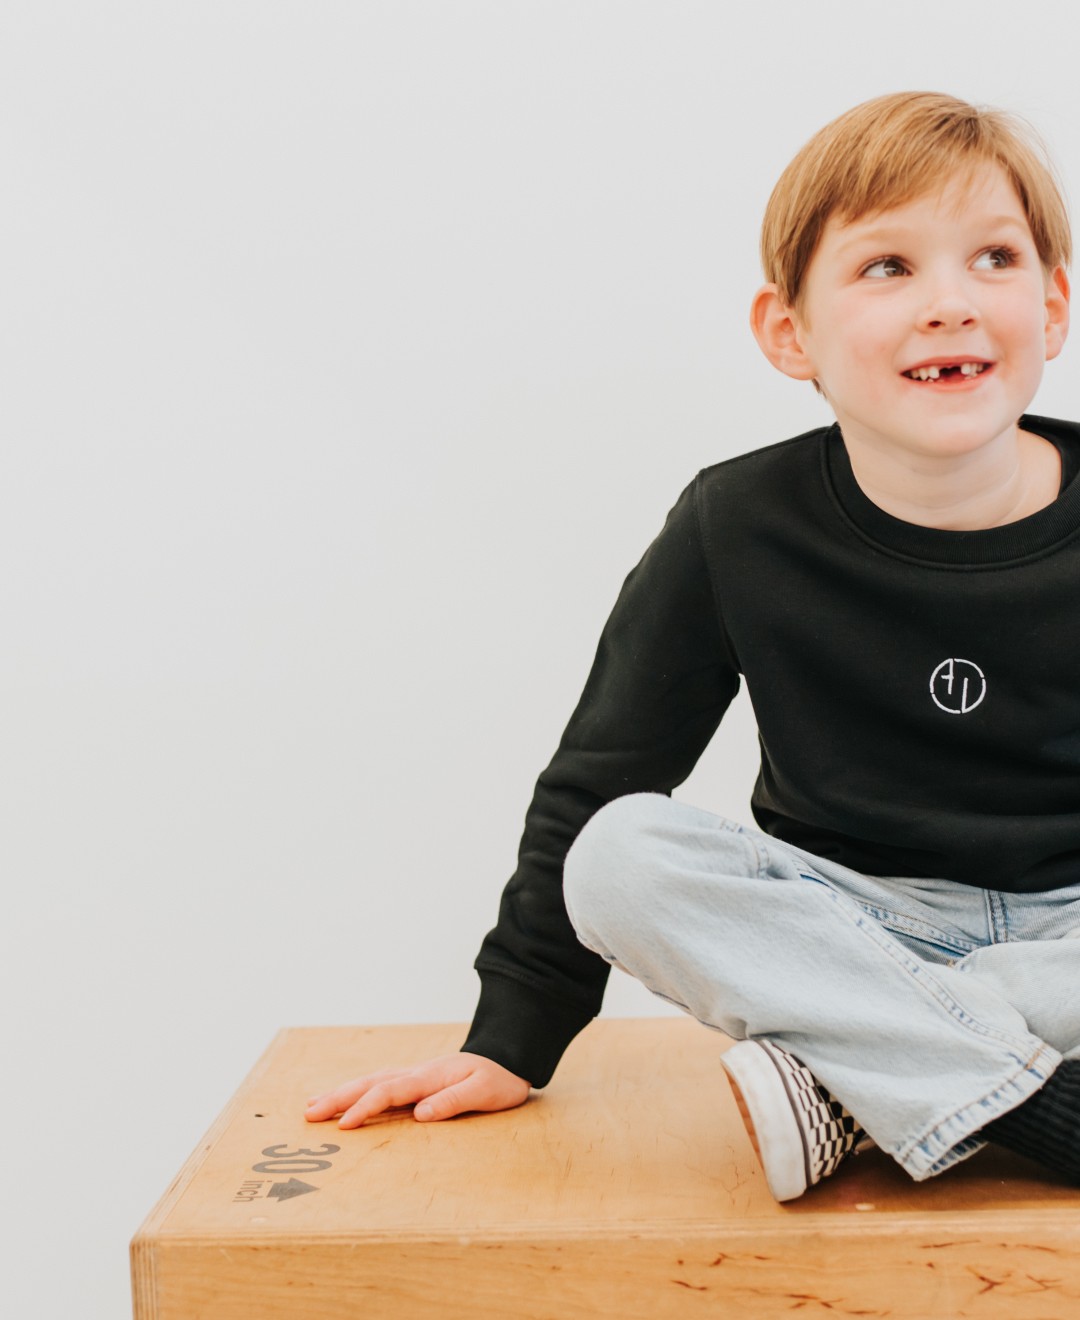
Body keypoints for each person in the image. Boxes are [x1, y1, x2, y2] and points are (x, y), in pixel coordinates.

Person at [305, 91, 1080, 1202]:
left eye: (993, 258)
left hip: (1066, 935)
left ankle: (848, 1077)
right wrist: (512, 1037)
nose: (949, 303)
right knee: (620, 853)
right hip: (846, 930)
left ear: (1051, 306)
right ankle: (1030, 1104)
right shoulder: (736, 524)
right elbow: (601, 777)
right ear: (789, 333)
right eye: (888, 267)